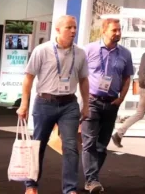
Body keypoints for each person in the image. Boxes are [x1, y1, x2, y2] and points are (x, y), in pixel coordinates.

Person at [16, 15, 90, 194]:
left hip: (69, 104)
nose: (73, 31)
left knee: (71, 146)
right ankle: (31, 185)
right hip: (44, 103)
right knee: (38, 145)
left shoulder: (80, 53)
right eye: (69, 27)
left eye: (74, 27)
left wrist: (86, 105)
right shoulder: (42, 50)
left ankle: (70, 189)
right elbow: (28, 78)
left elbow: (84, 80)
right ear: (57, 29)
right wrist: (24, 104)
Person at [82, 18, 135, 193]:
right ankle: (92, 180)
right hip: (92, 100)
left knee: (101, 145)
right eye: (114, 30)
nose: (118, 33)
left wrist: (121, 98)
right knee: (89, 142)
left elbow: (127, 78)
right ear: (103, 31)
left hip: (112, 102)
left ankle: (92, 178)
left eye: (119, 30)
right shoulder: (89, 50)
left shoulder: (125, 53)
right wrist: (83, 99)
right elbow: (80, 75)